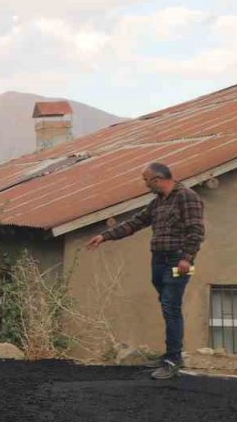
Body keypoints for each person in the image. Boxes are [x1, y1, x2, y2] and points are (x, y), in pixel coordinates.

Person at [86, 162, 205, 380]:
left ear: (157, 179)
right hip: (159, 261)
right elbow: (136, 222)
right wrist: (105, 236)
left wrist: (188, 258)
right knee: (167, 304)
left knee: (171, 305)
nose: (145, 185)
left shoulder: (187, 197)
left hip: (179, 262)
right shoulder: (158, 203)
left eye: (146, 181)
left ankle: (173, 360)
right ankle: (168, 355)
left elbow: (196, 230)